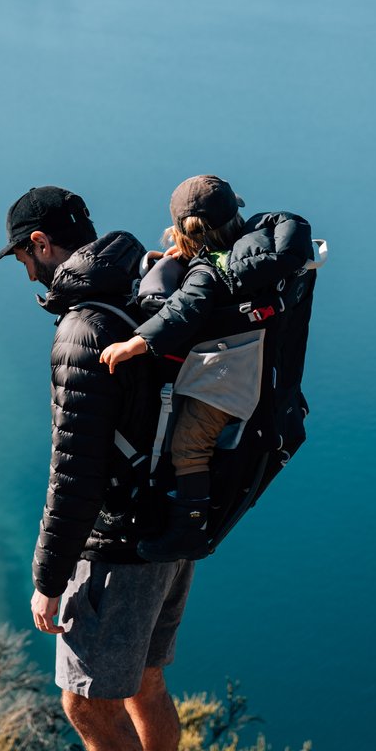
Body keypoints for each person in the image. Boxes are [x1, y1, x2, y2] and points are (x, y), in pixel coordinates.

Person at [0, 185, 196, 751]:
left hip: (116, 547)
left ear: (42, 242)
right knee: (144, 681)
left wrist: (47, 578)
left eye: (21, 255)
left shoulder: (81, 330)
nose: (25, 273)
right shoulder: (146, 292)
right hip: (173, 533)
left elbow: (73, 475)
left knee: (85, 701)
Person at [101, 175, 314, 563]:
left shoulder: (206, 275)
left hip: (225, 381)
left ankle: (189, 529)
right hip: (259, 367)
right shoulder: (264, 245)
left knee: (189, 446)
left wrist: (136, 343)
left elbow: (184, 312)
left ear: (186, 235)